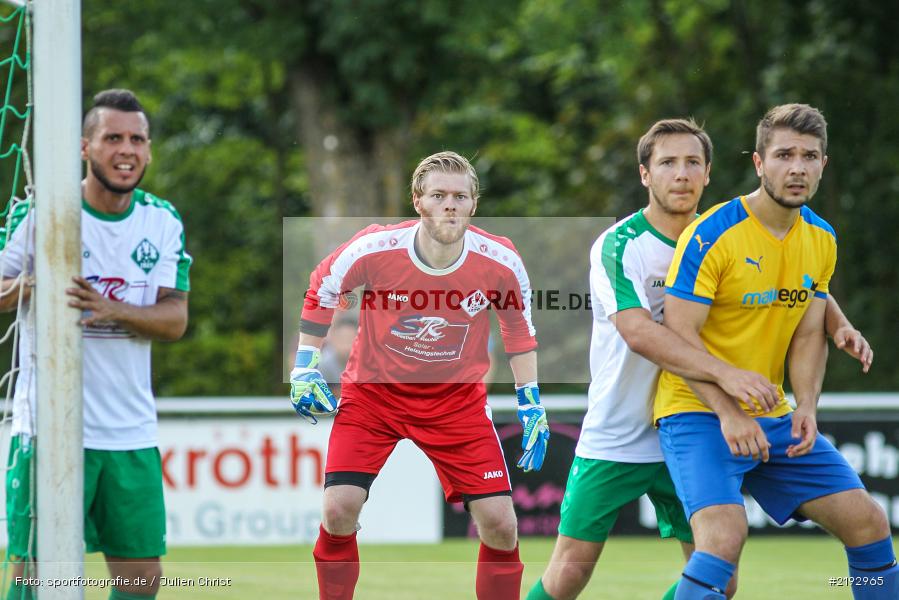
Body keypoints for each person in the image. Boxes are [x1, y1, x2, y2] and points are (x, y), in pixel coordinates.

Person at [526, 118, 873, 600]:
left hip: (693, 420)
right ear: (645, 174)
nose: (682, 174)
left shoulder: (719, 236)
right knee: (568, 575)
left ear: (709, 173)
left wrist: (838, 322)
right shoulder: (619, 244)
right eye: (667, 163)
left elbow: (794, 284)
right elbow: (641, 332)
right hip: (623, 428)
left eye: (693, 163)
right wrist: (729, 377)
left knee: (721, 577)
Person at [656, 104, 896, 600]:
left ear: (824, 165)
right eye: (784, 154)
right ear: (759, 163)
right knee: (724, 540)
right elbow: (675, 341)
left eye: (809, 156)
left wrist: (806, 404)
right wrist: (727, 409)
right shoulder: (713, 234)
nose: (797, 167)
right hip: (697, 411)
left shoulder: (822, 238)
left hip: (771, 414)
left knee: (869, 524)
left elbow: (809, 333)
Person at [289, 151, 550, 600]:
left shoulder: (500, 261)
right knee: (339, 509)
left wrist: (531, 401)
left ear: (474, 204)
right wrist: (304, 364)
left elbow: (517, 329)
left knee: (502, 525)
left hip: (456, 405)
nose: (450, 204)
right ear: (418, 201)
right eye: (439, 195)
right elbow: (323, 286)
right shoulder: (375, 247)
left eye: (459, 196)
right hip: (373, 398)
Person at [0, 89, 192, 600]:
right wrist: (34, 282)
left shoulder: (162, 221)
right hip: (49, 428)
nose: (125, 150)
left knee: (141, 580)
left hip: (129, 431)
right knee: (38, 577)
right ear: (86, 147)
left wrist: (113, 309)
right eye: (112, 138)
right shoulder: (46, 214)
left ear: (149, 150)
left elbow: (175, 319)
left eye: (137, 139)